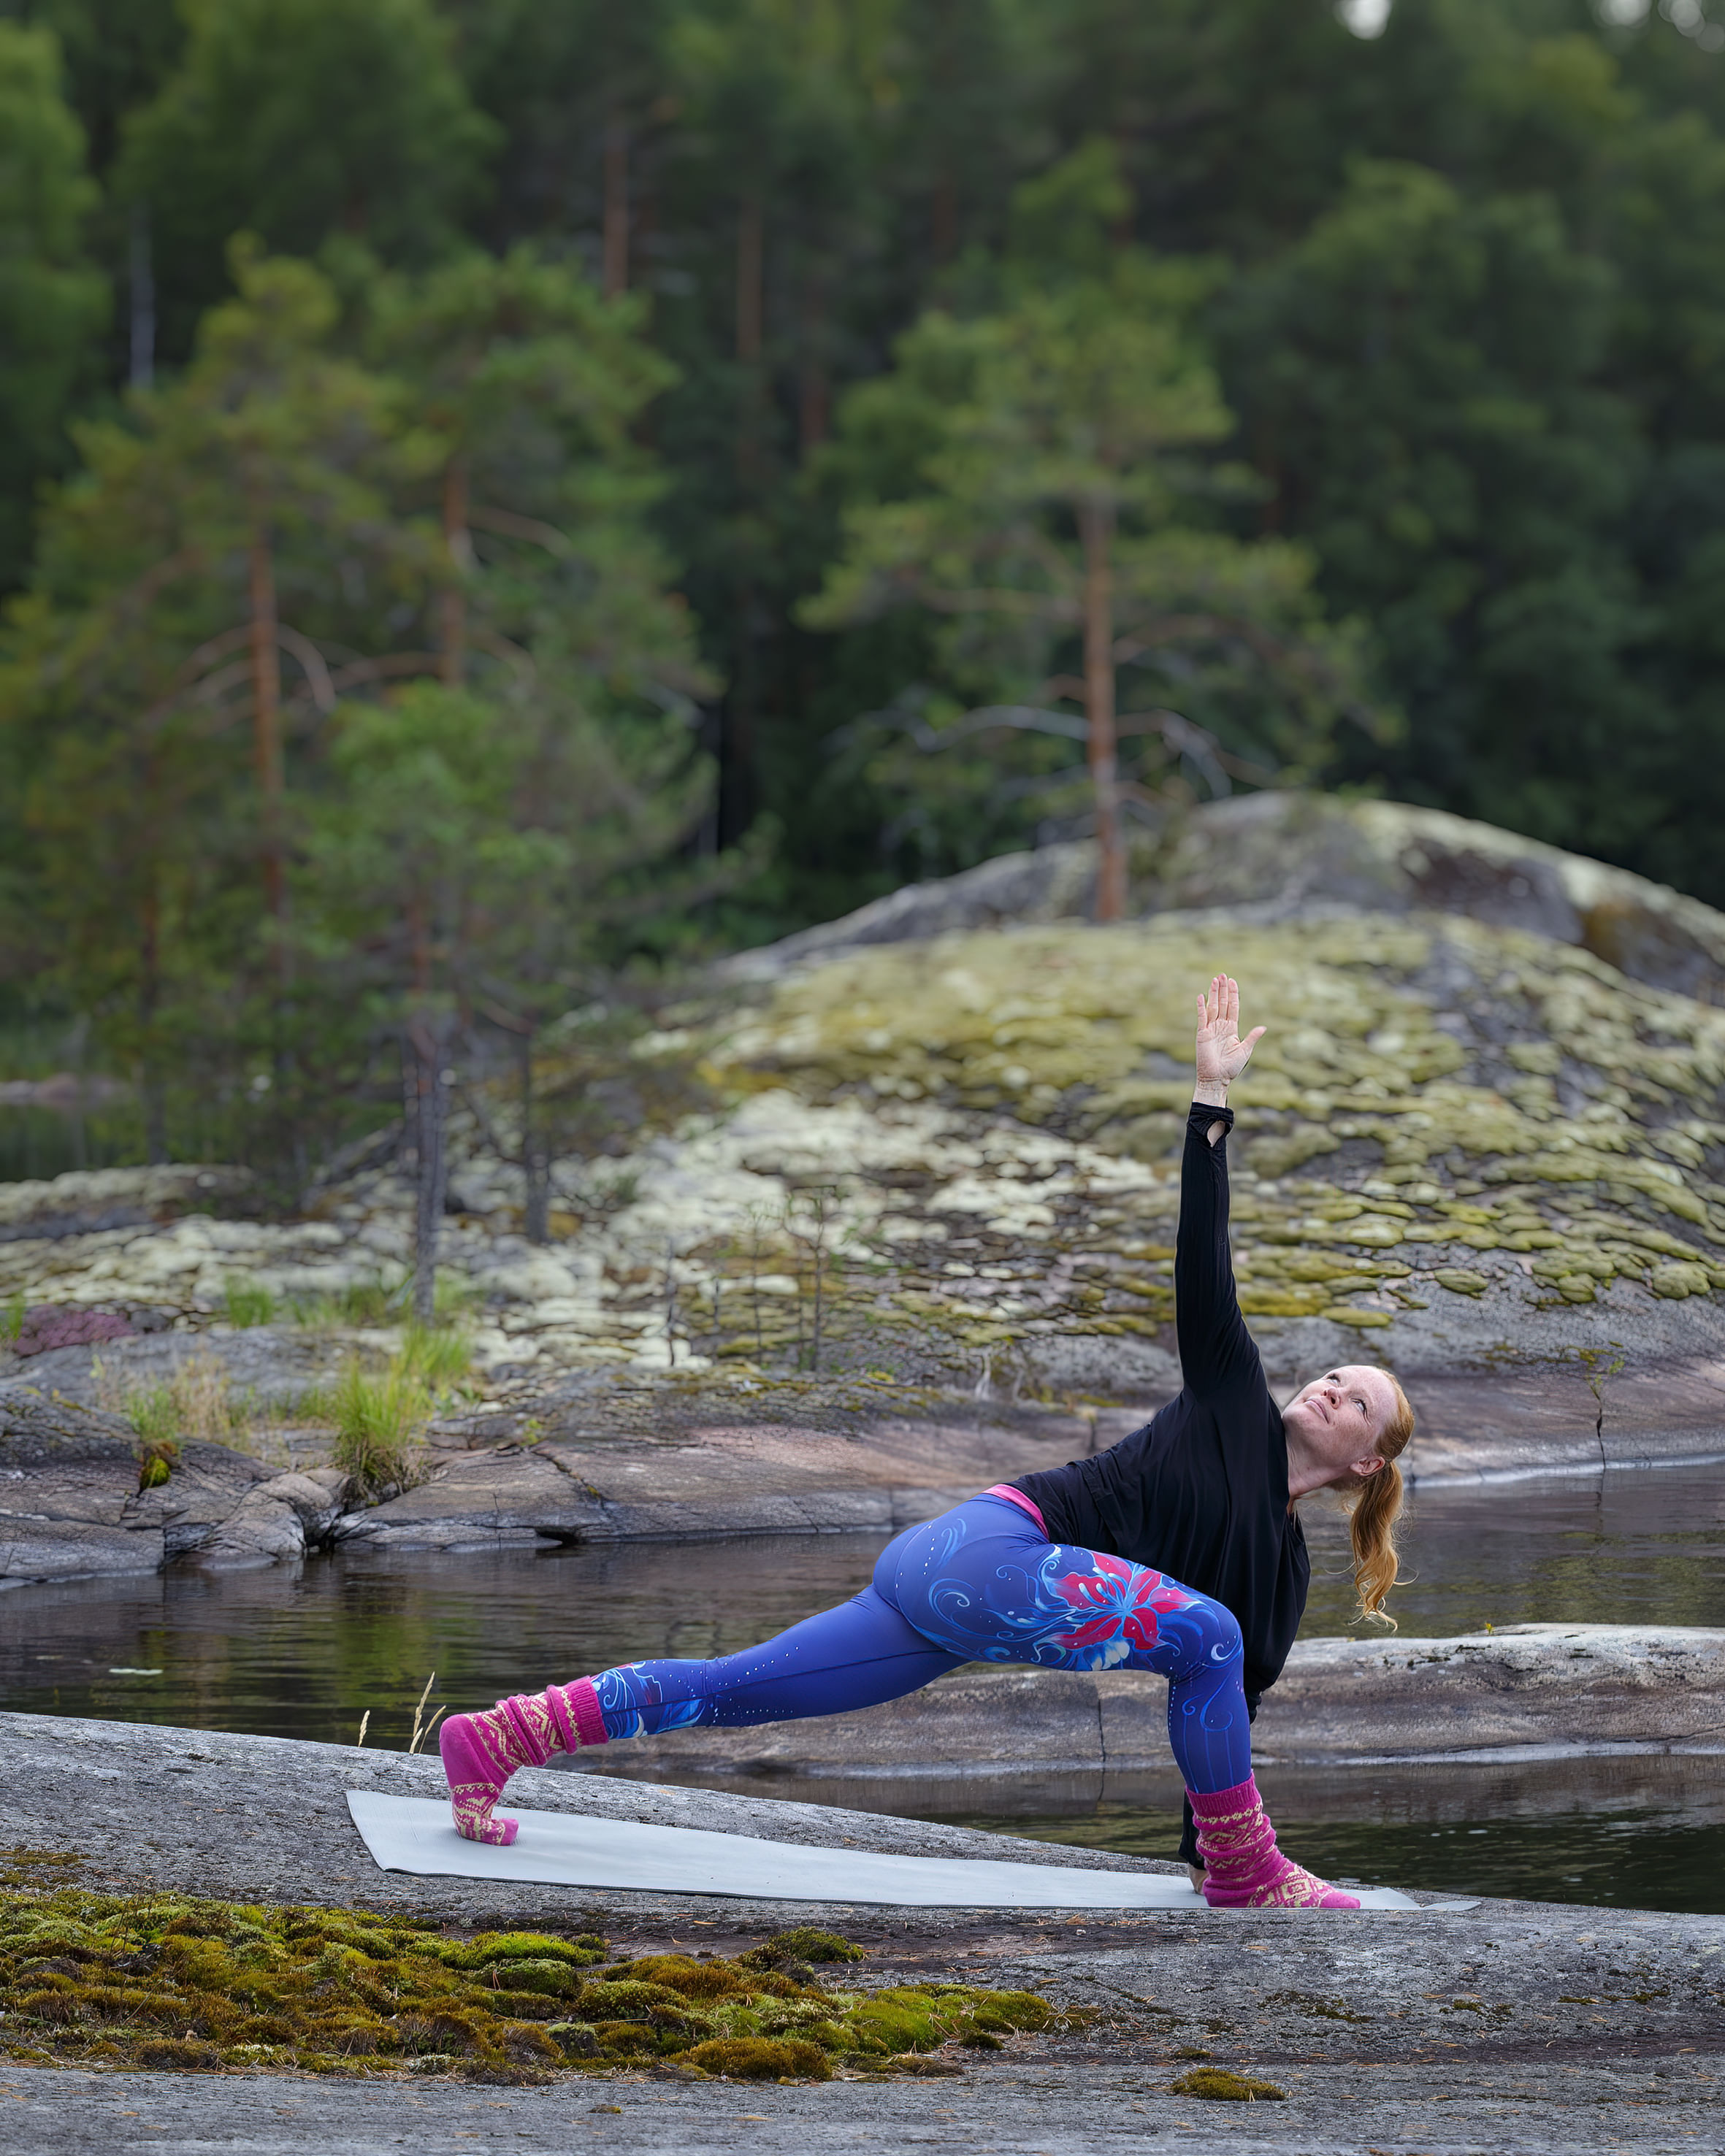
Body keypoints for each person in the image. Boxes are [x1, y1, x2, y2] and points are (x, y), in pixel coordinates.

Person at [440, 975, 1415, 1909]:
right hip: (991, 1547)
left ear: (1365, 1460)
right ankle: (1255, 1867)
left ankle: (495, 1737)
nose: (1330, 1385)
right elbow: (1204, 1262)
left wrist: (1195, 1853)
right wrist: (1209, 1105)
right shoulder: (1229, 1395)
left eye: (1356, 1397)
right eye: (1332, 1372)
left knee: (736, 1690)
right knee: (1204, 1630)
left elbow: (1227, 1710)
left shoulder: (1278, 1569)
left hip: (943, 1587)